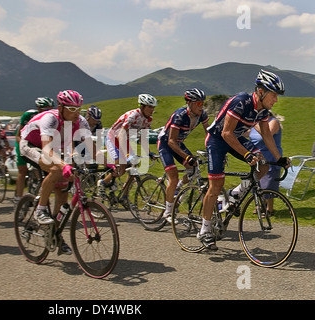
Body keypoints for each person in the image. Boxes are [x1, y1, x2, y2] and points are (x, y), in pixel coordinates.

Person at [201, 69, 290, 250]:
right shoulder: (241, 102)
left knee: (263, 164)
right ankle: (204, 230)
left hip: (236, 137)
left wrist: (279, 158)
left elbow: (266, 134)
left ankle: (234, 195)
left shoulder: (262, 111)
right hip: (218, 140)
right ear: (260, 92)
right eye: (273, 95)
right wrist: (247, 154)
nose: (276, 100)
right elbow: (226, 133)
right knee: (215, 186)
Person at [19, 90, 108, 254]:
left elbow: (91, 148)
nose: (76, 113)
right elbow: (46, 151)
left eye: (79, 109)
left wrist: (109, 163)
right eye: (72, 109)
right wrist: (64, 165)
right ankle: (40, 210)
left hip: (56, 147)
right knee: (55, 168)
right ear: (60, 107)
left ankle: (55, 235)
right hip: (32, 145)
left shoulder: (80, 121)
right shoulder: (50, 118)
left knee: (62, 192)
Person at [157, 89, 209, 222]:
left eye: (202, 103)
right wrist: (186, 157)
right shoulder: (179, 116)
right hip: (166, 144)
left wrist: (212, 150)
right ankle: (168, 212)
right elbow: (171, 141)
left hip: (178, 143)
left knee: (194, 168)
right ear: (190, 103)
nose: (201, 106)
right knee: (173, 176)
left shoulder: (202, 115)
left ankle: (178, 188)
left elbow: (209, 134)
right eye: (198, 103)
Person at [97, 94, 157, 196]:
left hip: (126, 139)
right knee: (120, 166)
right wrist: (126, 154)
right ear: (142, 106)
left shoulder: (148, 119)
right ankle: (103, 183)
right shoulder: (133, 116)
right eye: (149, 107)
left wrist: (149, 153)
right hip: (114, 138)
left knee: (132, 166)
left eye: (153, 107)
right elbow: (121, 134)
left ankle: (124, 195)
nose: (152, 110)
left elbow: (143, 138)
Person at [14, 97, 55, 203]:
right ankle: (18, 197)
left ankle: (41, 191)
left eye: (51, 108)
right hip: (25, 141)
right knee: (22, 171)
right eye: (46, 109)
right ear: (39, 109)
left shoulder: (52, 118)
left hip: (40, 144)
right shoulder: (28, 115)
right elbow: (19, 135)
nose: (49, 111)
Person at [249, 111, 283, 215]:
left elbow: (267, 134)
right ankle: (259, 206)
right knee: (257, 182)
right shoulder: (257, 124)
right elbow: (247, 134)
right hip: (257, 156)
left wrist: (255, 125)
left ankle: (270, 208)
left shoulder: (273, 122)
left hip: (271, 155)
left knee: (268, 183)